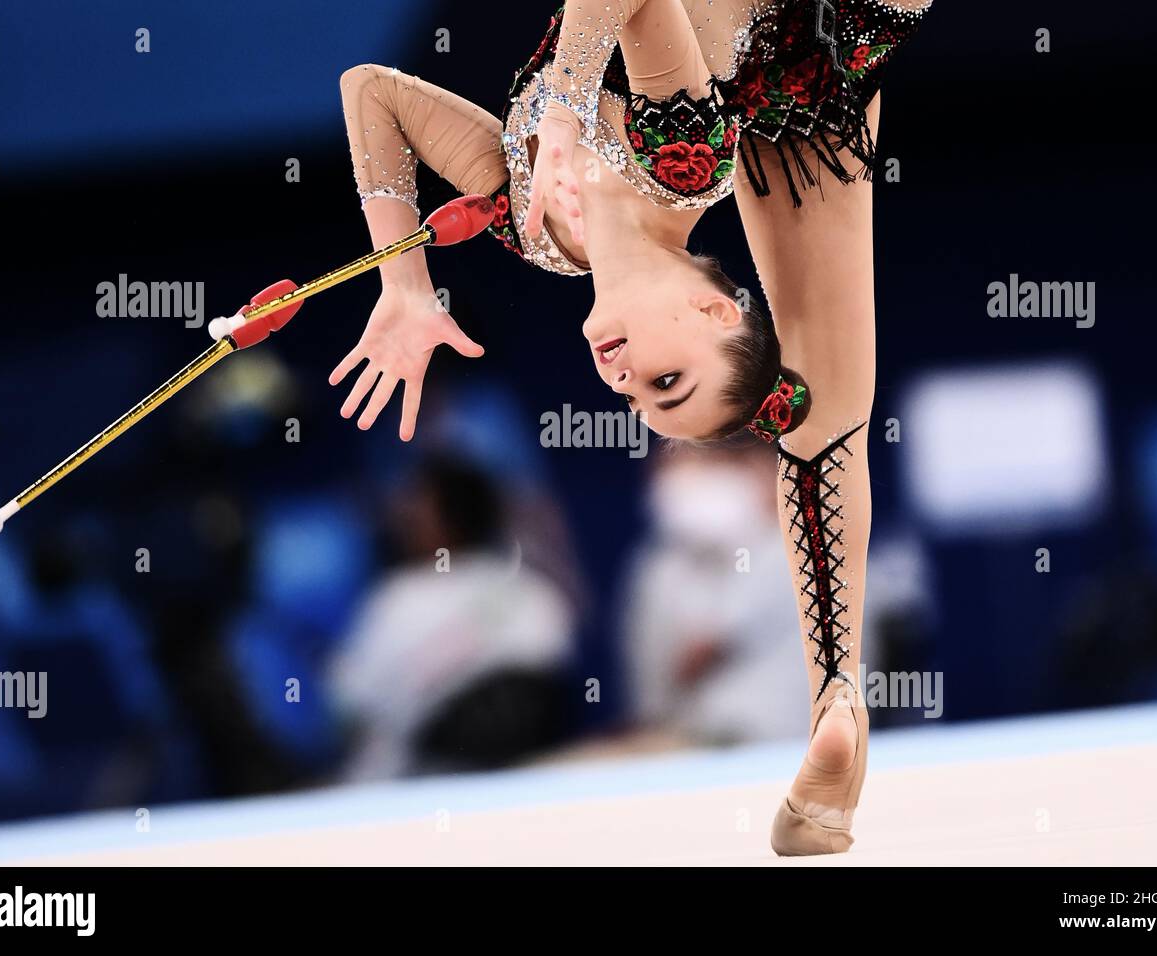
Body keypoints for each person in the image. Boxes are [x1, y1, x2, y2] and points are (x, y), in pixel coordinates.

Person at [335, 0, 932, 853]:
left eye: (637, 398)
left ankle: (837, 695)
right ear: (715, 308)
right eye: (665, 380)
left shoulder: (532, 230)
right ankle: (835, 692)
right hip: (811, 39)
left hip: (774, 76)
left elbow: (374, 92)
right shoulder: (682, 160)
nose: (623, 381)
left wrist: (404, 279)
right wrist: (569, 108)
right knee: (827, 407)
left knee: (824, 413)